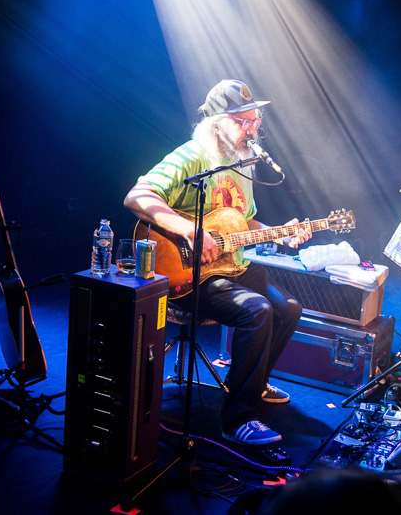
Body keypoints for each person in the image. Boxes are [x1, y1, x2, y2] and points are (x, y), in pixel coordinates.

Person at [124, 79, 311, 446]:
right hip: (187, 272)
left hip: (231, 266)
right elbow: (137, 196)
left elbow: (244, 222)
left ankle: (250, 387)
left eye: (255, 120)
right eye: (242, 122)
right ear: (217, 124)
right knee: (257, 310)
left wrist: (279, 233)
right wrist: (189, 230)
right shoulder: (193, 156)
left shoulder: (244, 165)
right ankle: (236, 420)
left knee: (288, 307)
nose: (252, 129)